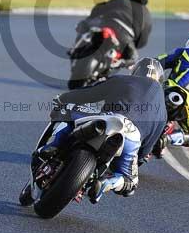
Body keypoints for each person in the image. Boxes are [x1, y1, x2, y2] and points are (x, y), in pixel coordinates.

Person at [41, 57, 166, 203]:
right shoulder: (163, 111)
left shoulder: (122, 79)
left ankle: (54, 145)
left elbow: (90, 93)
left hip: (108, 120)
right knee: (130, 183)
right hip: (132, 138)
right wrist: (135, 160)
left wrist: (63, 98)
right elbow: (146, 150)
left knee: (70, 112)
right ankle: (109, 183)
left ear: (137, 71)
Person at [74, 0, 152, 67]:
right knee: (132, 58)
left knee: (84, 25)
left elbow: (98, 9)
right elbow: (142, 41)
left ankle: (77, 48)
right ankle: (114, 62)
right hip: (125, 35)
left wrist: (90, 19)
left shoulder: (120, 0)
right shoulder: (147, 14)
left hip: (105, 24)